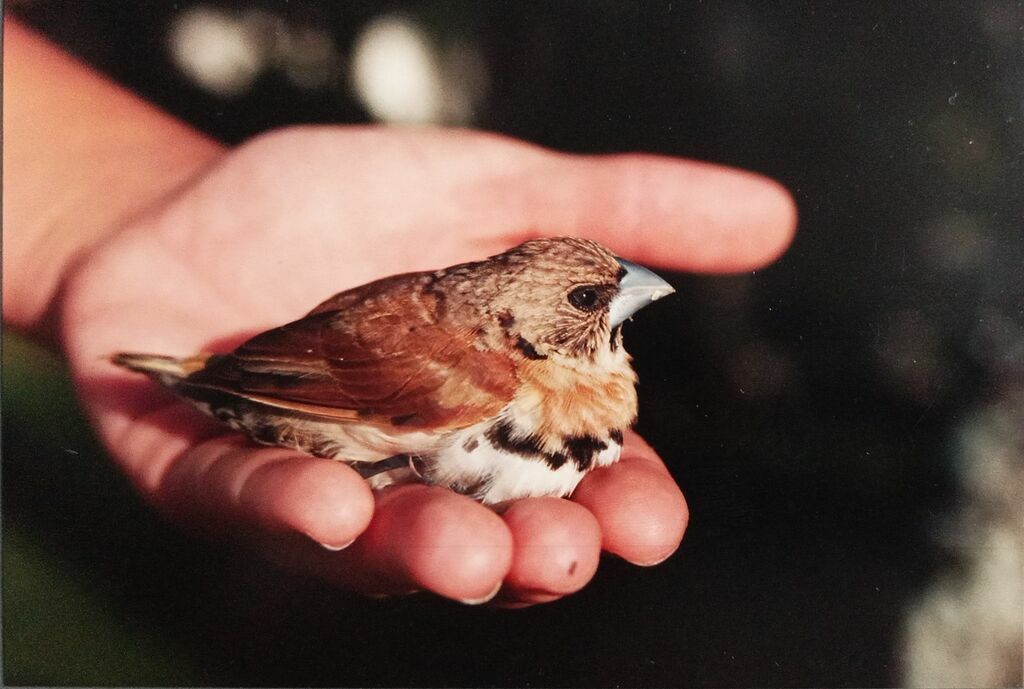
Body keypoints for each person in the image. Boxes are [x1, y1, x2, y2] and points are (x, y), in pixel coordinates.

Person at [3, 17, 797, 606]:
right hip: (285, 387)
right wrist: (223, 377)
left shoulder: (574, 368)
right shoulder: (480, 370)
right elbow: (322, 375)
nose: (633, 289)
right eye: (592, 298)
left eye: (612, 284)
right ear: (531, 328)